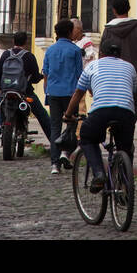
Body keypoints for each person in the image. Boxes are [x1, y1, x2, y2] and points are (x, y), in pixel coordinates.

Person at [62, 41, 137, 193]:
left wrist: (68, 115)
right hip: (126, 112)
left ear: (101, 54)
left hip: (101, 111)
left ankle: (98, 173)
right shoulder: (130, 67)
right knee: (126, 147)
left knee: (87, 137)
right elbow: (133, 90)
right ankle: (124, 184)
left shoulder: (92, 66)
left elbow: (78, 93)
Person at [0, 31, 51, 144]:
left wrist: (2, 88)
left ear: (13, 41)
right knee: (42, 115)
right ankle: (55, 142)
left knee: (0, 103)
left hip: (6, 91)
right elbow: (34, 78)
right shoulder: (29, 56)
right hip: (25, 93)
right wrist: (41, 77)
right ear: (25, 42)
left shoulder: (5, 55)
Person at [41, 19, 84, 174]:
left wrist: (47, 91)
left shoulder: (50, 50)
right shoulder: (75, 51)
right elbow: (80, 74)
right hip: (70, 94)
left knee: (55, 128)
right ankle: (65, 153)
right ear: (69, 32)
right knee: (71, 125)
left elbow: (45, 72)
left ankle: (54, 164)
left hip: (53, 92)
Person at [99, 0, 137, 113]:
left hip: (111, 76)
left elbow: (102, 54)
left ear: (114, 10)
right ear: (129, 8)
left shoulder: (108, 30)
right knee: (134, 105)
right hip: (133, 76)